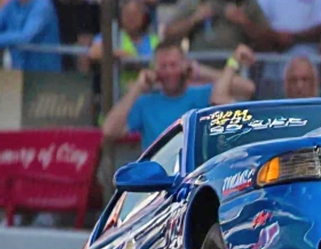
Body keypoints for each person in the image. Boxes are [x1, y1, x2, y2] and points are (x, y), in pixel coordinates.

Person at [102, 40, 257, 150]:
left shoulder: (203, 93)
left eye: (173, 65)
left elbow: (247, 89)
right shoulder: (145, 102)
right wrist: (137, 86)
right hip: (157, 178)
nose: (169, 71)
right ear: (155, 69)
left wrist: (201, 71)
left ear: (184, 65)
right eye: (163, 66)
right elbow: (109, 131)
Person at [0, 0, 62, 71]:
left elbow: (25, 36)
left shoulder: (43, 5)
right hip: (20, 71)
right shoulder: (12, 5)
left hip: (45, 73)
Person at [88, 0, 158, 92]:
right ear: (120, 16)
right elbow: (94, 53)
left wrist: (136, 65)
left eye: (135, 14)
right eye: (127, 14)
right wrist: (118, 55)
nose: (131, 18)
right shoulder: (112, 36)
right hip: (120, 95)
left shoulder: (154, 40)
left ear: (143, 17)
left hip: (149, 93)